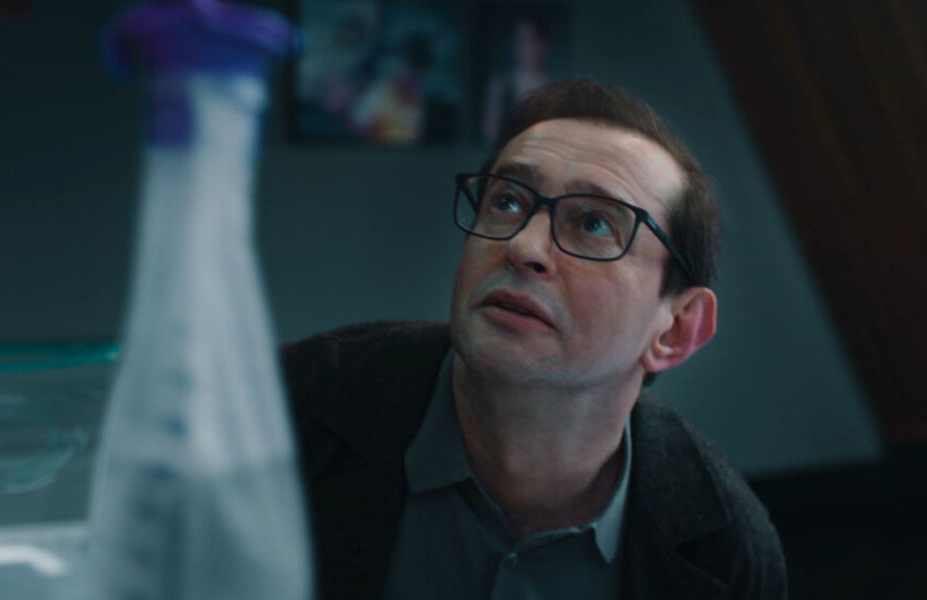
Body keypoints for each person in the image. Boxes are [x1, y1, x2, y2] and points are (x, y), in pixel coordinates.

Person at [282, 80, 787, 599]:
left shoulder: (728, 552)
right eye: (506, 200)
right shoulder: (289, 410)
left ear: (676, 330)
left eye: (594, 223)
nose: (523, 246)